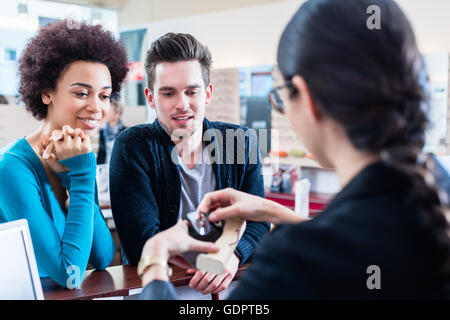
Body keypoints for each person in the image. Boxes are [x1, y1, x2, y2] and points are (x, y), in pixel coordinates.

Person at [138, 0, 450, 299]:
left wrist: (154, 261)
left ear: (304, 96)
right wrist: (273, 211)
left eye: (282, 96)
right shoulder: (434, 197)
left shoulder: (293, 264)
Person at [109, 33, 270, 295]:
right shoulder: (132, 146)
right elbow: (142, 243)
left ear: (207, 93)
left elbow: (259, 221)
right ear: (151, 98)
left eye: (191, 91)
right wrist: (217, 254)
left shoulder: (242, 141)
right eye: (168, 93)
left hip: (232, 285)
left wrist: (234, 255)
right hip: (162, 286)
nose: (182, 104)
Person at [0, 20, 129, 288]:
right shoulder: (12, 168)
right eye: (82, 93)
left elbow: (103, 257)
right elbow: (69, 274)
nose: (96, 108)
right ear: (47, 92)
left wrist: (76, 177)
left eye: (104, 96)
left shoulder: (76, 156)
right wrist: (82, 175)